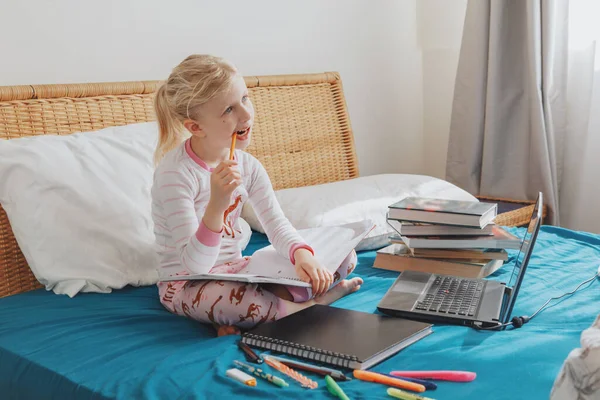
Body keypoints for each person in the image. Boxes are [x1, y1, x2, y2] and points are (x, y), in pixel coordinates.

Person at [152, 54, 362, 336]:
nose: (246, 114)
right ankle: (315, 304)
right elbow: (195, 264)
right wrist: (216, 204)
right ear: (195, 127)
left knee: (344, 256)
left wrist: (302, 255)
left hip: (241, 271)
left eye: (245, 99)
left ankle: (260, 311)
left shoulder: (248, 165)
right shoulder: (175, 174)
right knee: (234, 300)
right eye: (228, 109)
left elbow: (276, 224)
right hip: (187, 283)